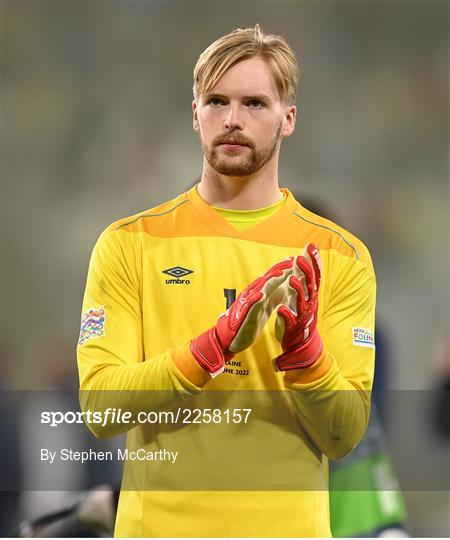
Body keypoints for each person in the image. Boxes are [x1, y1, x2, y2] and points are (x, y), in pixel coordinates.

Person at [77, 24, 376, 537]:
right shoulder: (130, 243)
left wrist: (307, 357)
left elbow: (343, 436)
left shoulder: (339, 257)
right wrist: (211, 348)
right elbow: (101, 406)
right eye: (216, 101)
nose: (232, 120)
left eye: (255, 104)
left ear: (288, 119)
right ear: (195, 114)